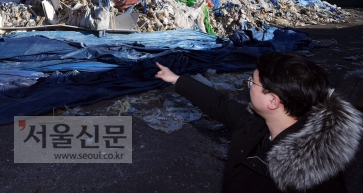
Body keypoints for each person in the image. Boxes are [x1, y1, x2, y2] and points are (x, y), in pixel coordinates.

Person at [155, 52, 362, 192]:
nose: (248, 86)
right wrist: (177, 79)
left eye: (252, 82)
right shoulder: (256, 124)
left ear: (273, 101)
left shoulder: (314, 179)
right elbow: (220, 105)